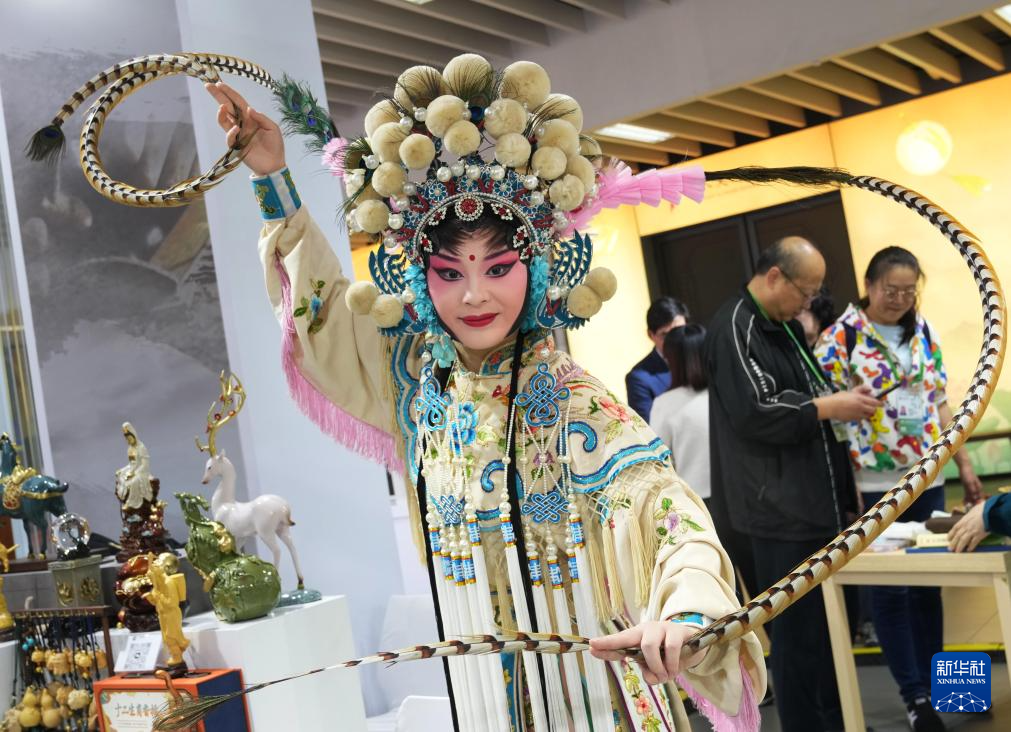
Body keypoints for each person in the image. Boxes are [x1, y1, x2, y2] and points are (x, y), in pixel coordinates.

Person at [205, 54, 765, 731]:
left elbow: (667, 514)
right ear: (419, 280)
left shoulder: (574, 402)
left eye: (497, 267)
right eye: (449, 272)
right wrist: (270, 176)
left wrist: (688, 608)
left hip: (591, 702)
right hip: (483, 704)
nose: (474, 295)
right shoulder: (418, 386)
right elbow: (324, 314)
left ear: (537, 268)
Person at [706, 236, 880, 732]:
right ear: (774, 276)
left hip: (815, 506)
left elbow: (808, 395)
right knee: (799, 639)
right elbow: (756, 411)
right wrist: (829, 406)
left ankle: (840, 721)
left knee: (830, 632)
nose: (808, 303)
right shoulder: (734, 326)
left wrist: (837, 401)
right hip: (777, 513)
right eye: (805, 292)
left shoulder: (782, 326)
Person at [815, 245, 984, 732]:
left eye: (910, 291)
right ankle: (915, 698)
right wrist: (846, 490)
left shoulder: (922, 329)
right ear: (869, 285)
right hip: (874, 482)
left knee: (931, 584)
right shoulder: (841, 337)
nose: (901, 299)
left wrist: (963, 464)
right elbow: (826, 418)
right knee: (891, 589)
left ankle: (950, 689)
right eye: (892, 290)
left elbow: (939, 401)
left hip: (928, 474)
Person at [650, 324, 710, 505]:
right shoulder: (727, 392)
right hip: (738, 497)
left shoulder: (665, 404)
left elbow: (659, 462)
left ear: (671, 360)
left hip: (693, 502)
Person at [626, 297, 690, 421]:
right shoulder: (639, 379)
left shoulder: (703, 357)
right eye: (665, 335)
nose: (675, 340)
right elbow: (648, 429)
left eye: (680, 331)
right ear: (651, 335)